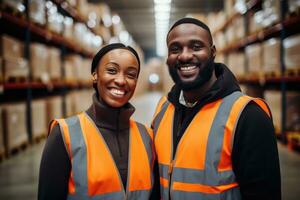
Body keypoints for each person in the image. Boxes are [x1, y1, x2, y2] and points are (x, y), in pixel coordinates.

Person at [152, 18, 281, 200]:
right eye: (175, 49)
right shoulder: (163, 109)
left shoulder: (247, 115)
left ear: (212, 52)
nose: (185, 55)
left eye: (196, 47)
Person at [38, 43, 158, 200]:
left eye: (130, 74)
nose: (121, 80)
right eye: (112, 70)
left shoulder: (147, 137)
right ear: (95, 74)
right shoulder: (65, 134)